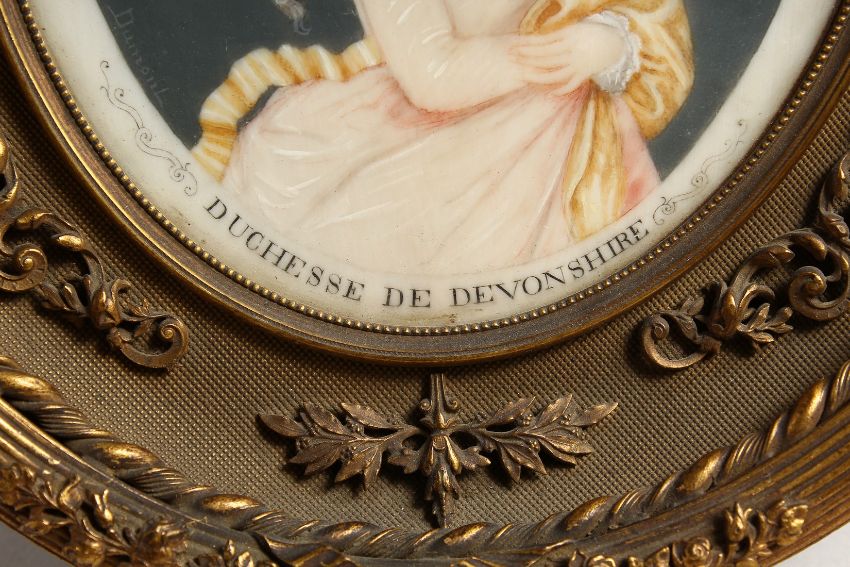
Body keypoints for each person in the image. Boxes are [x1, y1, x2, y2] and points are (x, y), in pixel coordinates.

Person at [193, 0, 693, 274]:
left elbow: (649, 18)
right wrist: (551, 59)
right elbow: (434, 77)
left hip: (568, 138)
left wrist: (606, 41)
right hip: (424, 142)